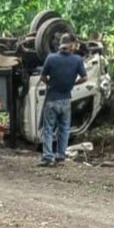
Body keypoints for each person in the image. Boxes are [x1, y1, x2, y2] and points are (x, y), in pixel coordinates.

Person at [38, 33, 87, 167]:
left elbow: (42, 76)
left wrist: (50, 83)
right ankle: (60, 155)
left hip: (52, 97)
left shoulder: (51, 58)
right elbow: (84, 78)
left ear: (61, 45)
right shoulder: (77, 60)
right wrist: (72, 84)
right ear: (70, 45)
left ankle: (48, 156)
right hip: (66, 99)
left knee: (48, 128)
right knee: (64, 128)